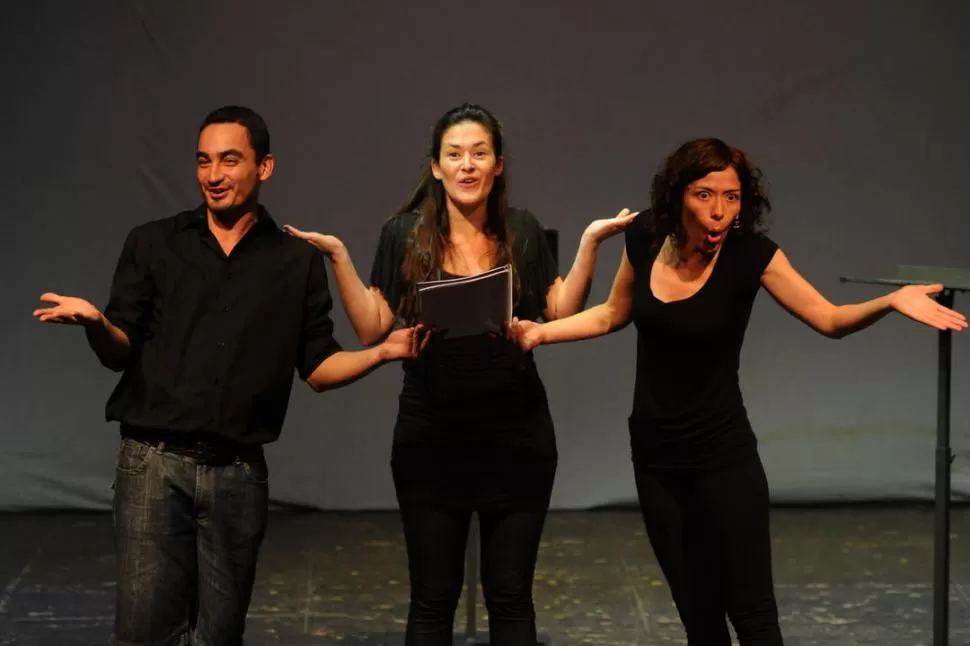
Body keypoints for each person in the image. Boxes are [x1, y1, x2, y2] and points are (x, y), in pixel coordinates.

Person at [508, 138, 968, 645]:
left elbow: (829, 318)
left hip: (722, 459)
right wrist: (540, 333)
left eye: (732, 197)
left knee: (753, 617)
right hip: (656, 459)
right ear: (679, 195)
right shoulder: (645, 236)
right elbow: (614, 313)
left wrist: (889, 302)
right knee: (700, 621)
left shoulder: (752, 256)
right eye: (705, 195)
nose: (719, 212)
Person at [32, 106, 426, 646]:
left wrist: (382, 353)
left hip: (238, 472)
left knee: (220, 635)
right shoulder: (154, 242)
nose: (213, 175)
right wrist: (98, 324)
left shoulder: (294, 261)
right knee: (145, 632)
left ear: (264, 167)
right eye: (204, 161)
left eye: (229, 160)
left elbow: (317, 367)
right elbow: (120, 352)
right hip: (153, 465)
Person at [283, 103, 634, 645]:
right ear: (436, 166)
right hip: (432, 436)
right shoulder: (403, 234)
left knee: (511, 596)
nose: (467, 165)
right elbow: (373, 327)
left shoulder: (521, 229)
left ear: (498, 165)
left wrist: (589, 242)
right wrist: (339, 258)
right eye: (454, 155)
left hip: (516, 435)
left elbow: (560, 309)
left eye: (479, 153)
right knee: (432, 598)